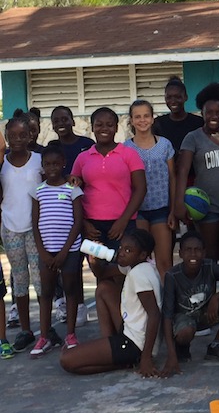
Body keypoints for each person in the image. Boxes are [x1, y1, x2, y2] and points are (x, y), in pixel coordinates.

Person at [60, 229, 162, 376]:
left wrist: (146, 358)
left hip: (135, 343)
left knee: (67, 360)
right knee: (104, 288)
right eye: (121, 247)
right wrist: (94, 263)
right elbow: (102, 274)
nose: (121, 252)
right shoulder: (140, 265)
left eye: (128, 250)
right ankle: (113, 349)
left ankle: (125, 361)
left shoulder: (139, 274)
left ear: (142, 255)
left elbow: (154, 315)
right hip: (131, 332)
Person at [160, 231, 219, 375]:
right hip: (184, 319)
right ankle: (181, 347)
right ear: (180, 253)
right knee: (185, 331)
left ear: (204, 252)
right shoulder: (172, 276)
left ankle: (217, 345)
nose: (193, 254)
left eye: (197, 250)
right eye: (188, 250)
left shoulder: (209, 266)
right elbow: (167, 316)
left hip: (207, 312)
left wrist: (217, 297)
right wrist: (171, 354)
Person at [176, 89, 219, 270]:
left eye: (218, 112)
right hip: (205, 207)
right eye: (209, 112)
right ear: (202, 113)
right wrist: (179, 202)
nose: (214, 116)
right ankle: (210, 297)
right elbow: (183, 170)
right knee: (209, 255)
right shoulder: (193, 138)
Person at [30, 145, 84, 355]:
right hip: (46, 251)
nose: (52, 168)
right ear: (42, 167)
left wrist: (64, 252)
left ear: (63, 164)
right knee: (46, 293)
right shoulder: (37, 191)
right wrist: (43, 252)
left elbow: (78, 222)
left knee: (71, 290)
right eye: (47, 164)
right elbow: (35, 224)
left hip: (69, 251)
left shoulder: (73, 189)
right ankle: (44, 337)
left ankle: (70, 335)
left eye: (55, 163)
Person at [71, 107, 146, 253]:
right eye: (99, 124)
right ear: (92, 127)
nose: (104, 128)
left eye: (109, 125)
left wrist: (123, 221)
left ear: (116, 128)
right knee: (98, 269)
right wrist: (84, 223)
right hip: (92, 227)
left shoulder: (129, 154)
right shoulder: (83, 157)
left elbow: (141, 189)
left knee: (121, 268)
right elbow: (73, 191)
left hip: (123, 224)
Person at [0, 114, 44, 353]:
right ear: (7, 137)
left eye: (22, 135)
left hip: (35, 228)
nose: (17, 139)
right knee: (20, 281)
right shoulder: (2, 163)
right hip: (10, 227)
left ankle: (45, 331)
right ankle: (26, 330)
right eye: (12, 135)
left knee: (40, 280)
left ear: (31, 136)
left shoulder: (39, 160)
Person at [48, 105, 95, 326]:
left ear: (73, 121)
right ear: (52, 124)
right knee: (72, 265)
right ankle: (78, 305)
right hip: (64, 214)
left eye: (65, 118)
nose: (61, 123)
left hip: (91, 210)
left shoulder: (87, 145)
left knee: (96, 258)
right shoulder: (52, 149)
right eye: (56, 120)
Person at [125, 100, 176, 282]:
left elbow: (172, 178)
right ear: (131, 120)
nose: (142, 120)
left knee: (164, 263)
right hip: (138, 211)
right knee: (140, 263)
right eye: (137, 117)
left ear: (152, 118)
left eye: (146, 116)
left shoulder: (164, 145)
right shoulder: (126, 148)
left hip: (161, 209)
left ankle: (168, 306)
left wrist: (173, 210)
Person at [152, 76, 204, 184]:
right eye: (169, 97)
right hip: (167, 180)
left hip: (194, 180)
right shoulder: (158, 123)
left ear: (185, 97)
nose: (173, 101)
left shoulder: (198, 122)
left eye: (177, 97)